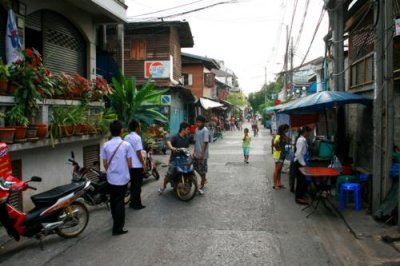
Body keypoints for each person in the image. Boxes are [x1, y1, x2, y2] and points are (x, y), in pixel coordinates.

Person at [101, 120, 134, 236]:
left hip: (111, 178)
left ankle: (115, 223)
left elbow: (104, 164)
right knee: (120, 202)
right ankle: (118, 228)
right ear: (121, 131)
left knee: (113, 201)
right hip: (122, 178)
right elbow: (130, 164)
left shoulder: (106, 145)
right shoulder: (126, 145)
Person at [158, 122, 191, 194]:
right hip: (175, 159)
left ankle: (196, 188)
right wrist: (172, 148)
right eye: (188, 129)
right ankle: (163, 186)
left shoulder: (187, 138)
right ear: (183, 129)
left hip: (184, 159)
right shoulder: (175, 137)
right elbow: (169, 142)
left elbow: (187, 147)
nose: (189, 131)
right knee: (169, 174)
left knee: (191, 171)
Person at [124, 119, 146, 210]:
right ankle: (137, 204)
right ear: (136, 128)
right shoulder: (137, 137)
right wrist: (143, 163)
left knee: (133, 185)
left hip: (129, 165)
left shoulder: (126, 137)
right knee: (137, 186)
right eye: (139, 126)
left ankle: (132, 202)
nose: (140, 128)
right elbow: (138, 152)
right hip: (137, 165)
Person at [294, 126, 312, 205]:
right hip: (300, 163)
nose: (309, 134)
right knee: (301, 181)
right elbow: (298, 154)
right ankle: (298, 198)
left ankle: (301, 196)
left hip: (302, 162)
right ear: (305, 132)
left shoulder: (303, 140)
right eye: (309, 132)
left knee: (303, 180)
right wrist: (303, 164)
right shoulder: (301, 141)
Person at [193, 115, 210, 195]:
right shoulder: (196, 130)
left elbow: (205, 142)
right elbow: (195, 142)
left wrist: (201, 154)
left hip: (202, 154)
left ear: (203, 123)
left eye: (199, 122)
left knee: (202, 170)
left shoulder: (205, 130)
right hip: (197, 153)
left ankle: (202, 184)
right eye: (197, 122)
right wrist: (194, 152)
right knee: (195, 167)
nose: (197, 123)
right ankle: (204, 179)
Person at [272, 124, 290, 190]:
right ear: (284, 129)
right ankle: (275, 184)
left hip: (282, 155)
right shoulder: (278, 136)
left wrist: (286, 137)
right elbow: (275, 143)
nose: (288, 130)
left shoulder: (283, 136)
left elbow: (289, 140)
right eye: (287, 129)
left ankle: (279, 183)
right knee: (277, 170)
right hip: (278, 155)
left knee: (279, 170)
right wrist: (278, 149)